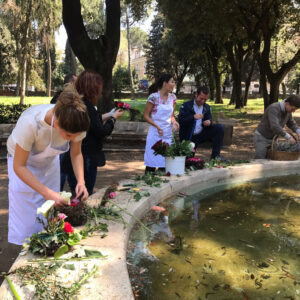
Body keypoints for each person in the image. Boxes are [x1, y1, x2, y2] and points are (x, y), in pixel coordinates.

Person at [7, 84, 90, 245]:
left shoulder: (76, 123)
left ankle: (48, 247)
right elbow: (19, 166)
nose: (72, 139)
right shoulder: (30, 123)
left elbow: (76, 153)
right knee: (27, 223)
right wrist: (46, 192)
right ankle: (24, 257)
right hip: (23, 165)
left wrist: (81, 181)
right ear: (57, 123)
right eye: (68, 136)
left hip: (49, 163)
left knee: (50, 217)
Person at [62, 70, 124, 195]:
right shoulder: (86, 106)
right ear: (93, 89)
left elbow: (93, 121)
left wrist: (110, 115)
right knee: (84, 194)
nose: (100, 92)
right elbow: (100, 131)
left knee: (78, 192)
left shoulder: (81, 104)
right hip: (85, 158)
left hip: (77, 156)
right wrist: (113, 119)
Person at [143, 74, 180, 173]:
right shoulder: (153, 97)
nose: (174, 84)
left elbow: (171, 116)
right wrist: (157, 126)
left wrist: (174, 122)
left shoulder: (173, 97)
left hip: (167, 135)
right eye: (172, 82)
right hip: (155, 134)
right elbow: (146, 116)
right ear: (165, 83)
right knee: (151, 165)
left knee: (165, 166)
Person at [178, 86, 224, 160]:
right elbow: (181, 120)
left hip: (201, 134)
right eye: (201, 98)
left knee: (220, 127)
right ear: (196, 94)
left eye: (205, 99)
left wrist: (209, 122)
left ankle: (215, 156)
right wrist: (193, 117)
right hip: (189, 137)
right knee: (188, 161)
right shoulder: (186, 106)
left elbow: (209, 119)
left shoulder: (207, 107)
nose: (203, 101)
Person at [254, 95, 300, 159]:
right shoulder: (274, 108)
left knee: (272, 159)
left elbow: (291, 123)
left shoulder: (288, 111)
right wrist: (289, 137)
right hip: (262, 138)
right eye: (293, 109)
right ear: (287, 104)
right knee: (260, 160)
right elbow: (275, 126)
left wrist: (298, 131)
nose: (293, 111)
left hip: (273, 139)